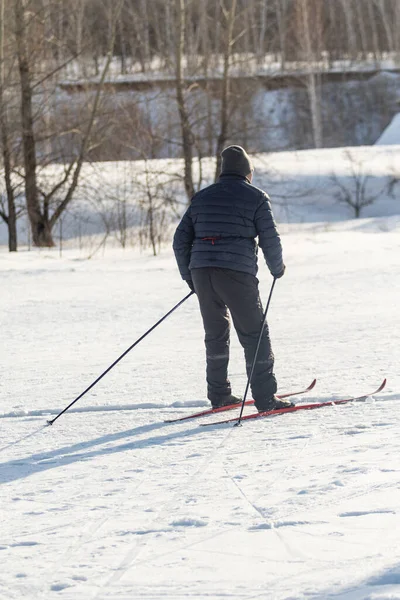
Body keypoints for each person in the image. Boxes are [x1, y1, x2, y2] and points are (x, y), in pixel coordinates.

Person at [173, 145, 292, 412]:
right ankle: (265, 399)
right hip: (236, 272)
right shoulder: (257, 197)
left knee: (215, 334)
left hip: (202, 273)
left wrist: (191, 278)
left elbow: (180, 240)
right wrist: (277, 268)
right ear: (247, 173)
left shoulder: (201, 198)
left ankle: (219, 394)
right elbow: (270, 238)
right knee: (255, 334)